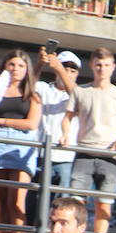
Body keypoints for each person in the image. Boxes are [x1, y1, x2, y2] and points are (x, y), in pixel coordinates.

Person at [43, 47, 116, 233]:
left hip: (110, 156)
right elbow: (67, 117)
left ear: (113, 68)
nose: (102, 69)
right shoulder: (81, 91)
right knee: (76, 203)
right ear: (92, 66)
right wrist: (65, 135)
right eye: (98, 65)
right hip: (84, 152)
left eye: (106, 65)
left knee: (104, 203)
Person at [0, 49, 41, 233]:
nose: (16, 69)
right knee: (3, 198)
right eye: (12, 64)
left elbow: (32, 123)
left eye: (21, 65)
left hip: (22, 144)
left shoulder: (32, 95)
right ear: (5, 67)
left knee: (17, 198)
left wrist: (3, 121)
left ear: (27, 70)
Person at [35, 50, 80, 214]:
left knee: (62, 207)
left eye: (72, 70)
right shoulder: (43, 88)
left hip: (66, 158)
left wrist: (60, 68)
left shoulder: (79, 92)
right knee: (37, 205)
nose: (67, 72)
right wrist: (40, 63)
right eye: (64, 68)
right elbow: (28, 85)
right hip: (41, 156)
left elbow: (77, 98)